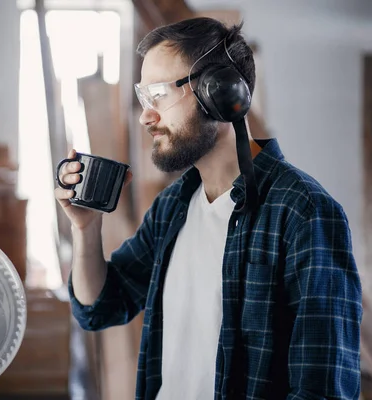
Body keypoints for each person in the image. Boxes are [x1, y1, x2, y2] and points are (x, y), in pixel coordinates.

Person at [54, 17, 363, 400]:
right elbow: (100, 308)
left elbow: (324, 390)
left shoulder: (303, 212)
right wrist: (86, 229)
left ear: (221, 92)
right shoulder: (173, 207)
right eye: (143, 98)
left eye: (160, 95)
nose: (146, 116)